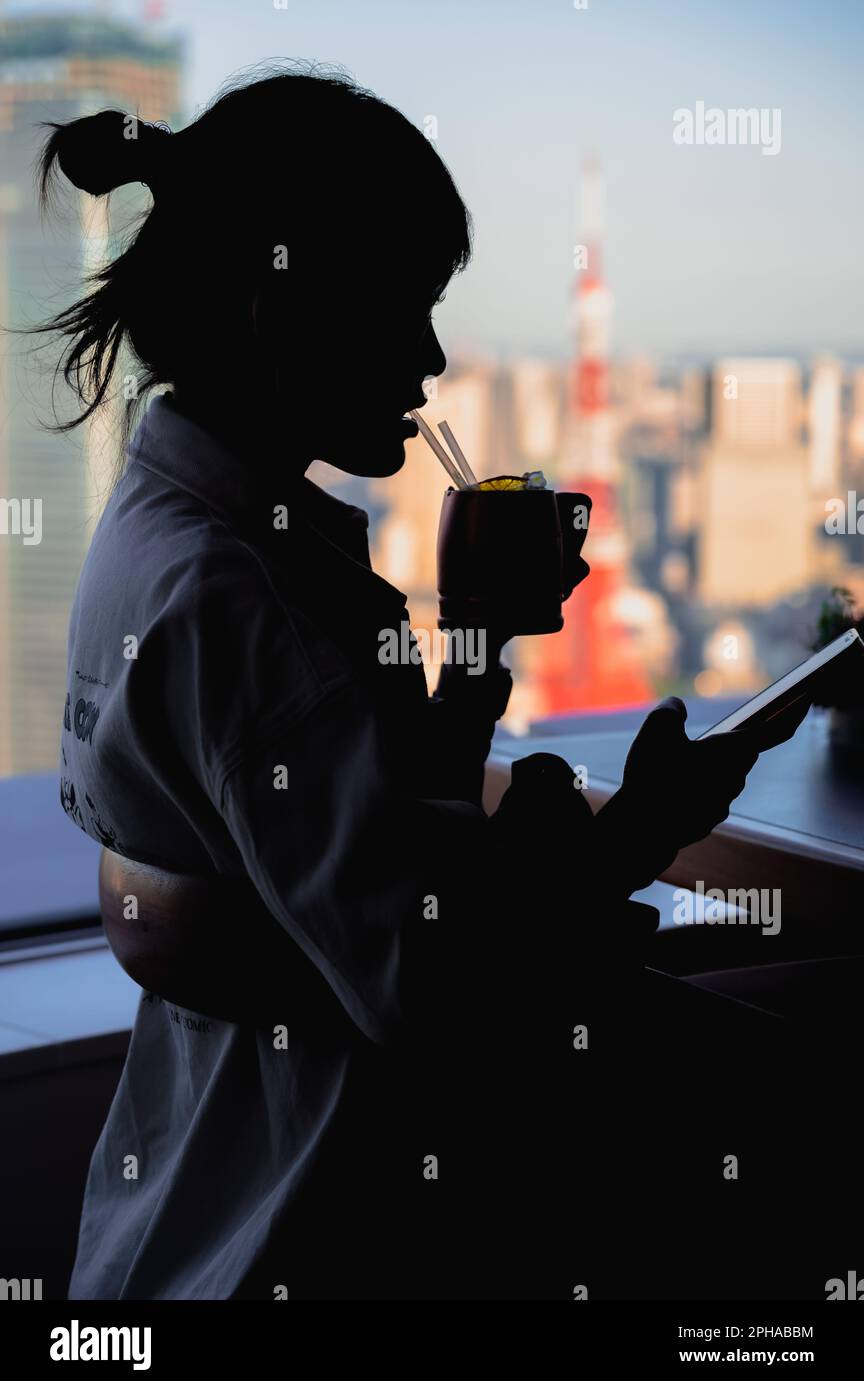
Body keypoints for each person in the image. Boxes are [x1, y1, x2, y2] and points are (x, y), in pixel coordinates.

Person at [32, 65, 812, 1300]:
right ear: (275, 310)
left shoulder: (167, 527)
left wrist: (480, 647)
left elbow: (360, 842)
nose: (434, 356)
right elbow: (440, 989)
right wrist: (638, 834)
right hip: (317, 1222)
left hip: (197, 1194)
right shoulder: (248, 607)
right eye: (402, 306)